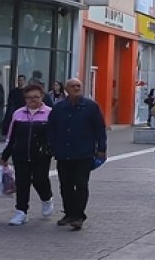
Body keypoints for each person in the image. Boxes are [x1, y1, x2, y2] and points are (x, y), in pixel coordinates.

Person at [47, 78, 106, 230]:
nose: (76, 88)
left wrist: (101, 149)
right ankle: (69, 213)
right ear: (66, 89)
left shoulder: (91, 106)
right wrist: (52, 146)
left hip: (84, 153)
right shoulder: (59, 108)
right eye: (73, 86)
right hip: (63, 153)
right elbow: (51, 128)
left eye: (79, 86)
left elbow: (100, 129)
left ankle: (78, 216)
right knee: (65, 186)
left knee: (81, 185)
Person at [0, 83, 54, 225]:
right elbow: (11, 137)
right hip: (21, 154)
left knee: (39, 179)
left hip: (41, 154)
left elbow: (56, 135)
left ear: (42, 97)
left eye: (36, 97)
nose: (32, 100)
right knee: (22, 182)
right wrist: (5, 155)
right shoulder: (18, 114)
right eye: (29, 97)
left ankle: (47, 198)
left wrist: (52, 149)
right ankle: (21, 212)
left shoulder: (50, 113)